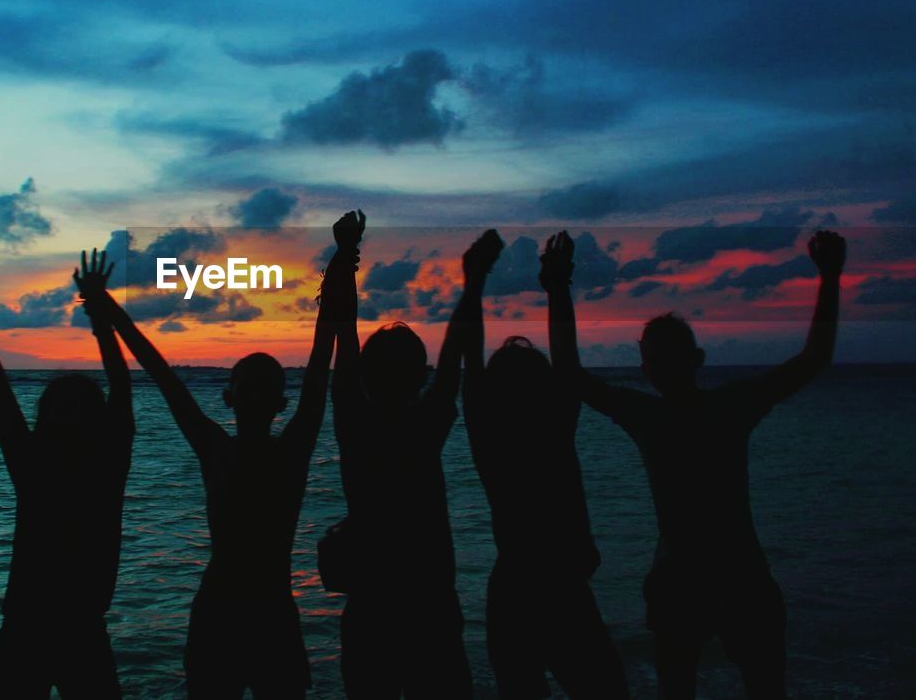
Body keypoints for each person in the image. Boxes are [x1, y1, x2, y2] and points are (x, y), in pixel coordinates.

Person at [544, 229, 846, 699]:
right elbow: (814, 358)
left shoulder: (653, 417)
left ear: (651, 369)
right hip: (733, 573)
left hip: (687, 576)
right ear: (696, 359)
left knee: (683, 686)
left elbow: (569, 372)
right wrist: (830, 277)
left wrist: (559, 288)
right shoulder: (728, 408)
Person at [85, 211, 364, 699]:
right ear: (231, 396)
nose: (255, 393)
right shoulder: (237, 448)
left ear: (276, 400)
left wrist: (341, 265)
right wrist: (109, 309)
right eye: (248, 385)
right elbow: (160, 372)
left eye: (266, 386)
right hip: (230, 612)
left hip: (263, 612)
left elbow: (321, 361)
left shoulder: (260, 449)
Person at [0, 248, 134, 698]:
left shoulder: (99, 465)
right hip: (30, 628)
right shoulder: (39, 464)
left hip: (73, 630)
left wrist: (100, 311)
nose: (73, 415)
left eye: (80, 408)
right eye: (65, 408)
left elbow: (120, 386)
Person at [459, 230, 629, 698]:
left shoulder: (491, 436)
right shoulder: (552, 429)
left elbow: (472, 363)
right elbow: (567, 364)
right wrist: (556, 287)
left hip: (516, 590)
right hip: (559, 592)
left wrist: (475, 282)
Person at [332, 223, 474, 699]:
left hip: (373, 609)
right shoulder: (424, 427)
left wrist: (345, 257)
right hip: (430, 606)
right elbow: (452, 360)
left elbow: (343, 334)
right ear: (419, 376)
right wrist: (473, 284)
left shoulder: (356, 427)